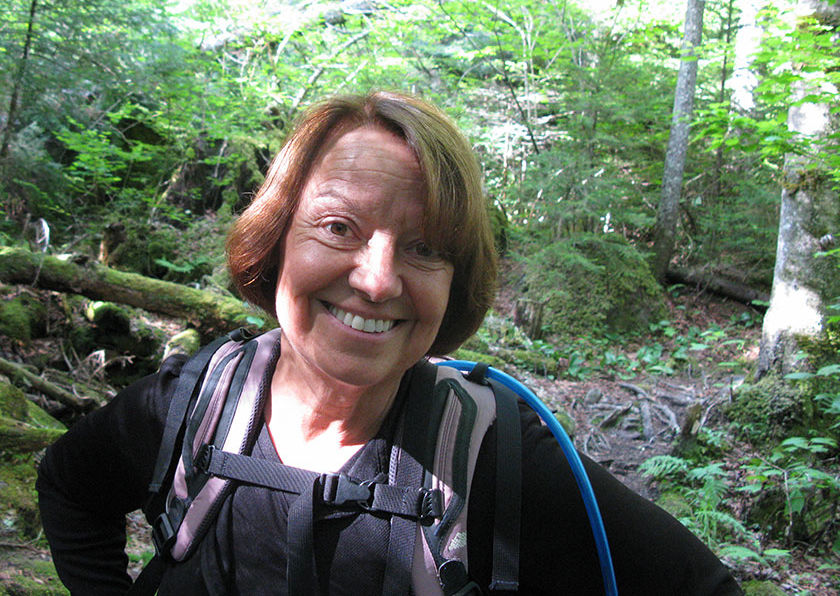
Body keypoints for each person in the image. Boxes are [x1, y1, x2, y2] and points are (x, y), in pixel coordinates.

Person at [37, 90, 743, 595]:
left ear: (455, 279)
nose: (377, 282)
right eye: (339, 227)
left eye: (425, 246)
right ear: (277, 238)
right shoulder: (194, 403)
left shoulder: (495, 456)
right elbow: (69, 486)